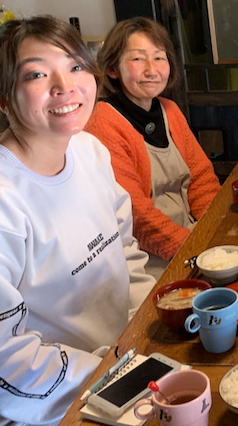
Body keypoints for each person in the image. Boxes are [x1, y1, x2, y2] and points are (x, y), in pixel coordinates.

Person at [0, 16, 155, 426]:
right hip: (28, 415)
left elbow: (125, 250)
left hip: (116, 363)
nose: (64, 86)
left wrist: (143, 335)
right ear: (3, 99)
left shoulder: (89, 152)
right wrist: (110, 374)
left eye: (74, 66)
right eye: (36, 74)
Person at [85, 17, 219, 278]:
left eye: (159, 58)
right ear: (113, 68)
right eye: (137, 59)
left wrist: (214, 230)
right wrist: (195, 249)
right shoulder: (103, 123)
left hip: (193, 241)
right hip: (147, 261)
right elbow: (136, 214)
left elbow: (201, 178)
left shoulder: (169, 110)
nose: (151, 70)